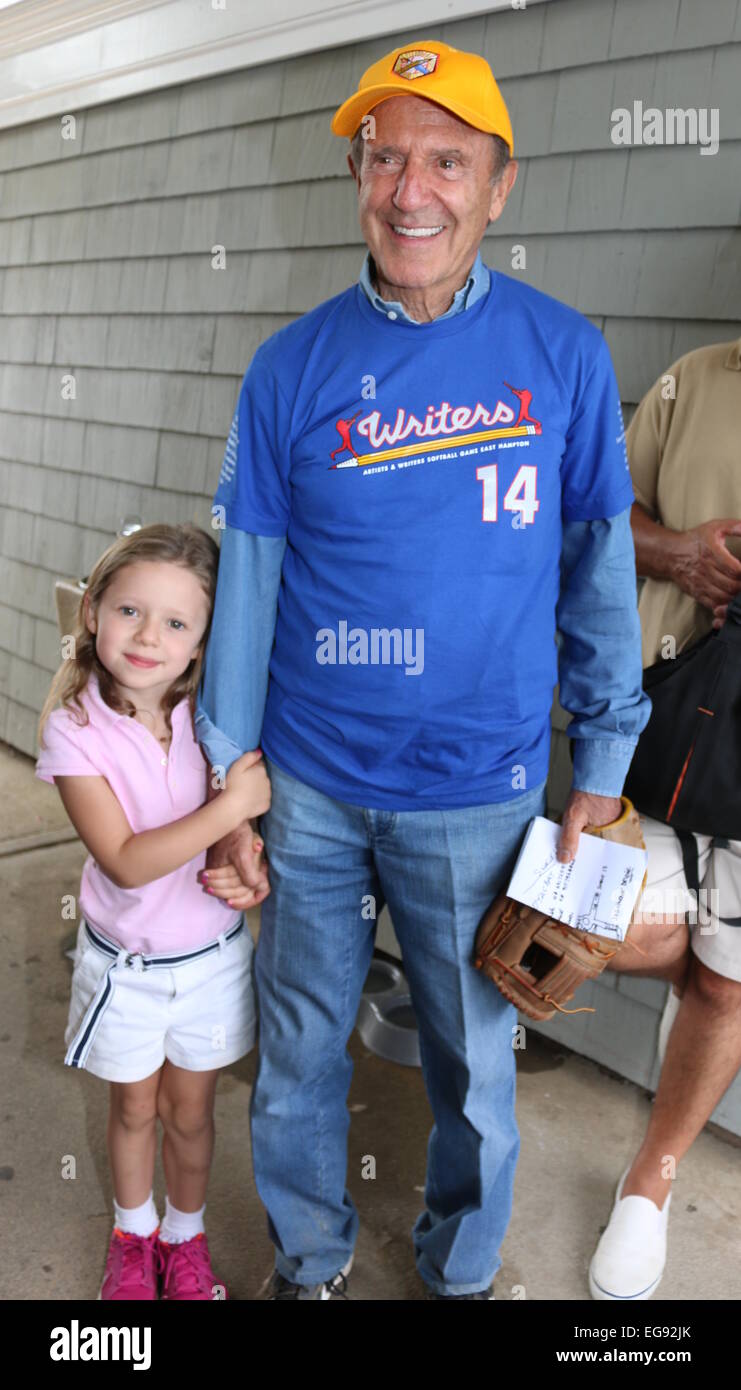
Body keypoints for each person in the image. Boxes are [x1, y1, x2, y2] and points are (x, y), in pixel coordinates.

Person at [195, 39, 651, 1299]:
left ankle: (459, 1272)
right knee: (296, 1058)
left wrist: (601, 770)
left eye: (446, 160)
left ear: (498, 187)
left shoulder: (562, 357)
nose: (412, 191)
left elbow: (597, 575)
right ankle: (311, 1260)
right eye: (385, 157)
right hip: (310, 787)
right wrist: (231, 778)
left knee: (476, 1068)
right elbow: (249, 588)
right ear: (357, 178)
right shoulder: (289, 369)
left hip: (483, 790)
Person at [35, 523, 271, 1300]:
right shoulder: (74, 732)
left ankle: (184, 1239)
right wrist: (232, 804)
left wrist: (244, 852)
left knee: (191, 1114)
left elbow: (233, 826)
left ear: (204, 642)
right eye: (130, 611)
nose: (147, 636)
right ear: (93, 611)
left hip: (208, 961)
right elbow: (126, 860)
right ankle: (132, 1239)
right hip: (126, 969)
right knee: (134, 1109)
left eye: (176, 622)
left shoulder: (213, 716)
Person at [589, 337, 741, 1301]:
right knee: (576, 920)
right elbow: (600, 519)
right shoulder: (698, 377)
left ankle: (648, 1183)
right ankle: (709, 951)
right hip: (654, 731)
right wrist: (682, 555)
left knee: (726, 991)